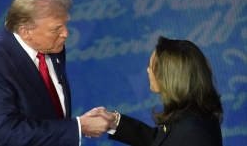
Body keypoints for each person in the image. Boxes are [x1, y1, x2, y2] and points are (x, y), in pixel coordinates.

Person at [0, 0, 114, 146]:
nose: (66, 34)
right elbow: (10, 134)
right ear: (26, 32)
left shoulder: (52, 45)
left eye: (65, 24)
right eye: (56, 29)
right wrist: (78, 127)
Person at [88, 36, 224, 146]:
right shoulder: (187, 114)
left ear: (169, 76)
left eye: (151, 66)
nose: (148, 70)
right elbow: (162, 141)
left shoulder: (193, 133)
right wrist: (115, 122)